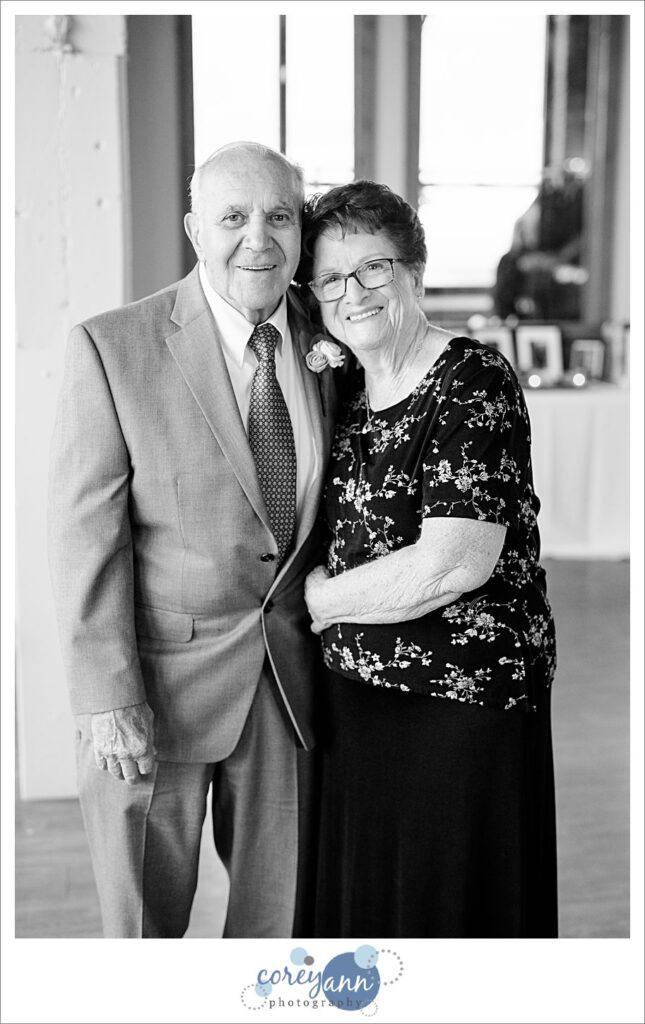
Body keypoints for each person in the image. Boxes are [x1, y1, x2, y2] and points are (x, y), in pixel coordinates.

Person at [47, 141, 343, 938]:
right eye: (233, 218)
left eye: (279, 217)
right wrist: (106, 697)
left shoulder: (333, 340)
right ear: (194, 230)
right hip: (154, 693)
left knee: (277, 932)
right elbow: (84, 539)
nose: (258, 239)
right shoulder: (112, 347)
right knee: (143, 933)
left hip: (288, 688)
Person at [298, 180, 558, 938]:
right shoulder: (347, 387)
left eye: (373, 268)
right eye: (331, 278)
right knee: (371, 926)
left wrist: (317, 603)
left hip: (460, 706)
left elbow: (454, 563)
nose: (353, 293)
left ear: (414, 271)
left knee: (447, 922)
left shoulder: (472, 380)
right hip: (355, 703)